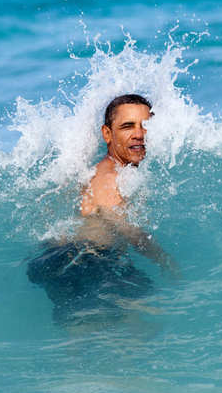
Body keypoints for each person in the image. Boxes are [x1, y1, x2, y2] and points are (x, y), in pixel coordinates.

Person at [27, 94, 176, 326]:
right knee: (140, 324)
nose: (139, 133)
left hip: (69, 259)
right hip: (84, 262)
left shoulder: (110, 170)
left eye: (145, 126)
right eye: (128, 126)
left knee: (90, 337)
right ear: (107, 134)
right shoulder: (109, 177)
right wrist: (164, 259)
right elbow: (125, 228)